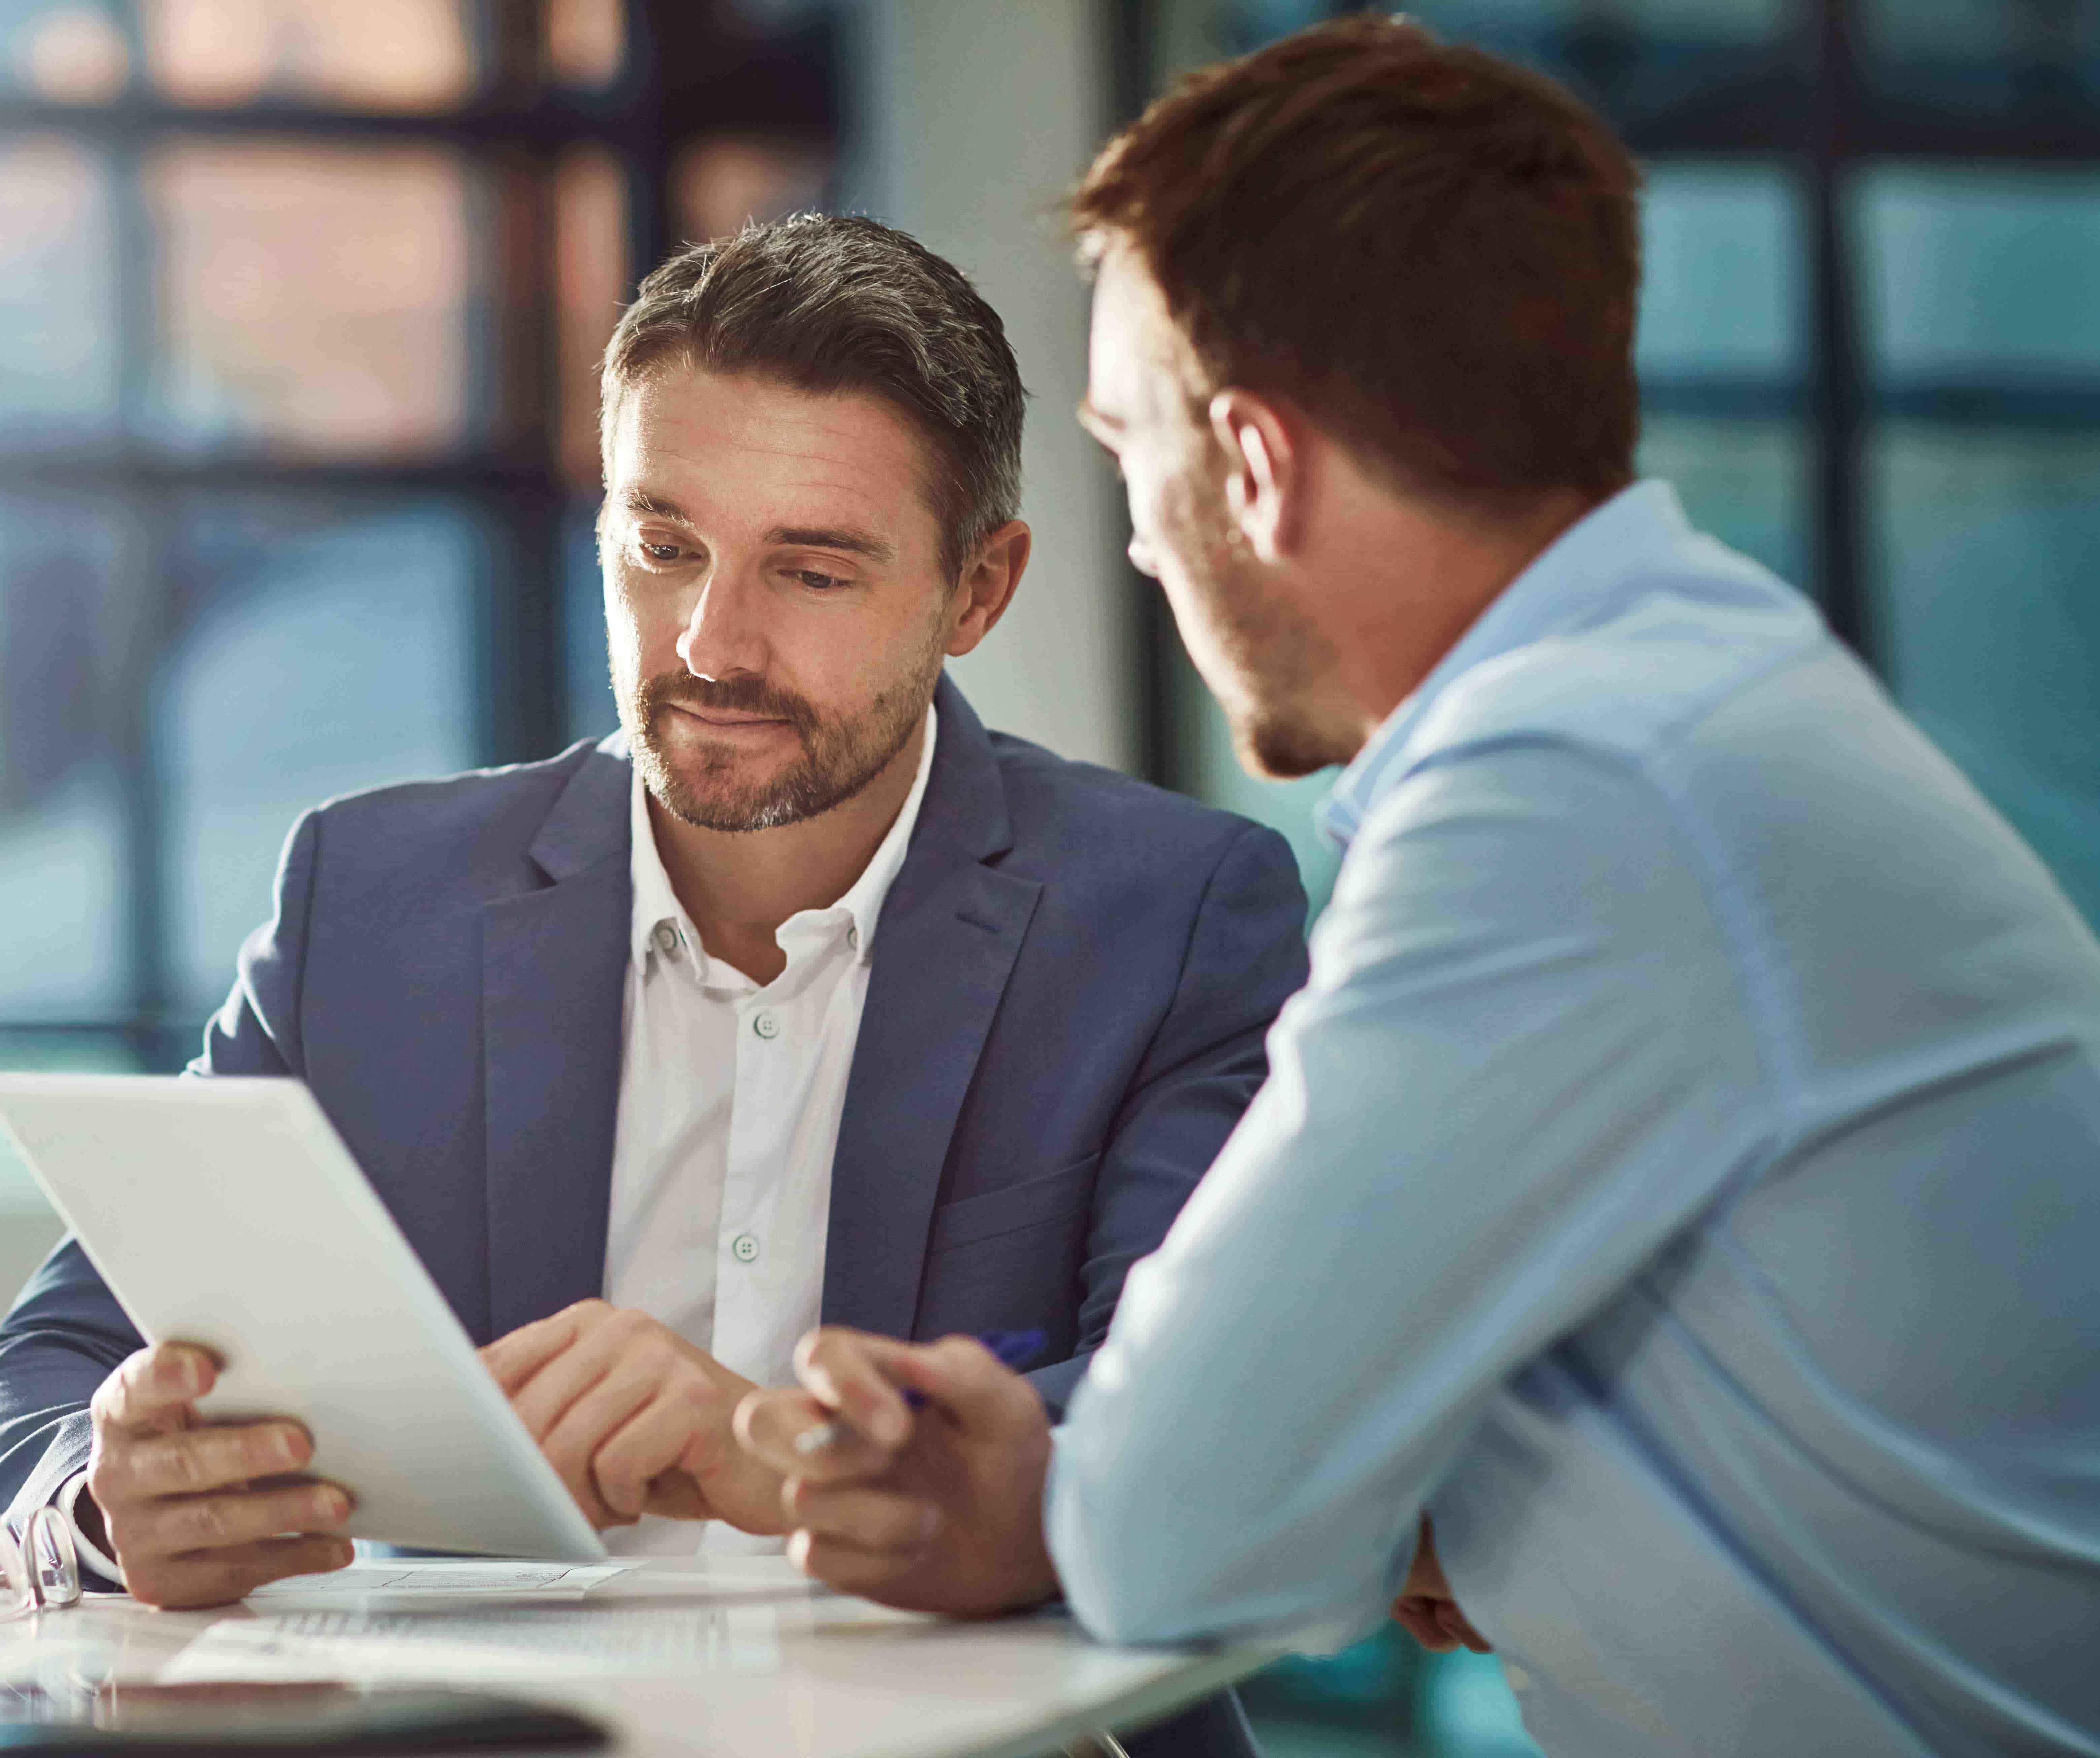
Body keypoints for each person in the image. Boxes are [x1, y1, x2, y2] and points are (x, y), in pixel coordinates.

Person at [736, 21, 2100, 1757]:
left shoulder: (1572, 789)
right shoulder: (1679, 707)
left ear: (1251, 464)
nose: (1139, 539)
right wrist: (1406, 1505)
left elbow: (1176, 1526)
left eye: (1127, 452)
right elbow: (1327, 1493)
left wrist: (1078, 1497)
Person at [0, 213, 1302, 1758]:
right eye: (663, 548)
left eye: (812, 570)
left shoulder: (1171, 913)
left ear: (976, 594)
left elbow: (1194, 1431)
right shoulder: (370, 900)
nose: (713, 642)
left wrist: (771, 1447)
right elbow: (33, 1373)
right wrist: (104, 1501)